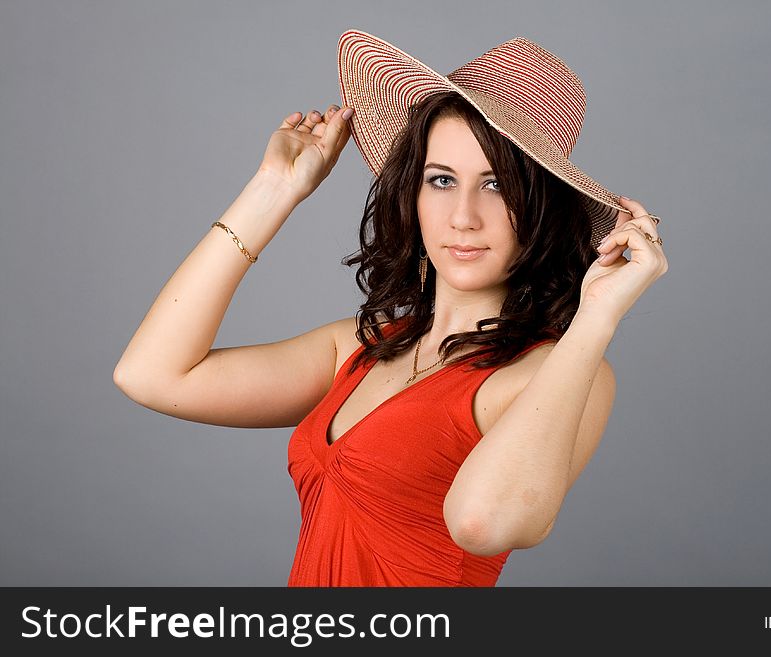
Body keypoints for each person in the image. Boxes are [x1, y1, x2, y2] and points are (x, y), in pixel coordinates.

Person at [113, 29, 667, 587]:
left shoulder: (563, 371)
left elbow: (484, 523)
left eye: (497, 185)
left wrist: (596, 317)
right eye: (442, 180)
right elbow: (153, 375)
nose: (464, 217)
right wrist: (274, 189)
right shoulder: (361, 347)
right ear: (413, 195)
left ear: (542, 208)